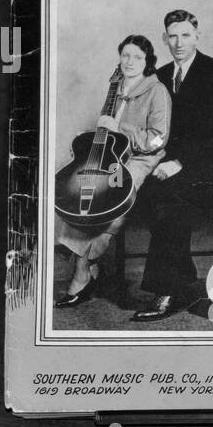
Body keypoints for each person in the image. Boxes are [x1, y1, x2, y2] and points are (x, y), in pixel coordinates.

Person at [133, 9, 213, 322]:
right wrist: (156, 159)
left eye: (186, 35)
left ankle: (166, 290)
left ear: (197, 36)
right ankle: (185, 280)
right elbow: (154, 130)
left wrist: (180, 162)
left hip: (210, 168)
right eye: (173, 36)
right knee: (146, 191)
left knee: (169, 201)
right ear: (165, 39)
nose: (179, 42)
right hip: (166, 166)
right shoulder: (159, 77)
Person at [55, 34, 169, 308]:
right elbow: (107, 130)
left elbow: (158, 138)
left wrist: (123, 129)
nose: (130, 62)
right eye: (125, 55)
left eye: (138, 57)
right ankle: (86, 265)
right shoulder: (115, 87)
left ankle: (83, 269)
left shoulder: (157, 91)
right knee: (77, 192)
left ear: (148, 62)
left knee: (110, 200)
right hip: (111, 154)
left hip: (141, 158)